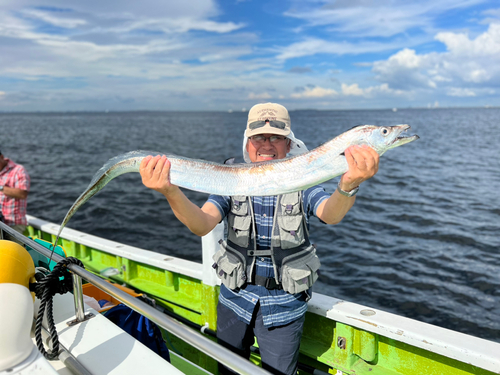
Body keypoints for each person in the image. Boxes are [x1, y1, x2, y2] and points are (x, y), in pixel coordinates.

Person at [139, 103, 380, 375]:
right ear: (248, 142)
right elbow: (202, 223)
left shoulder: (304, 178)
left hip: (284, 307)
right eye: (259, 137)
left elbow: (330, 213)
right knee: (228, 370)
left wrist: (348, 185)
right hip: (233, 298)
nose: (267, 144)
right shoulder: (231, 178)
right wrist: (170, 191)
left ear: (288, 143)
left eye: (276, 137)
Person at [0, 150, 31, 243]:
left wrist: (1, 187)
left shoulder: (18, 170)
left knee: (14, 253)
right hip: (1, 221)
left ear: (1, 157)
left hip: (14, 223)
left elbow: (22, 193)